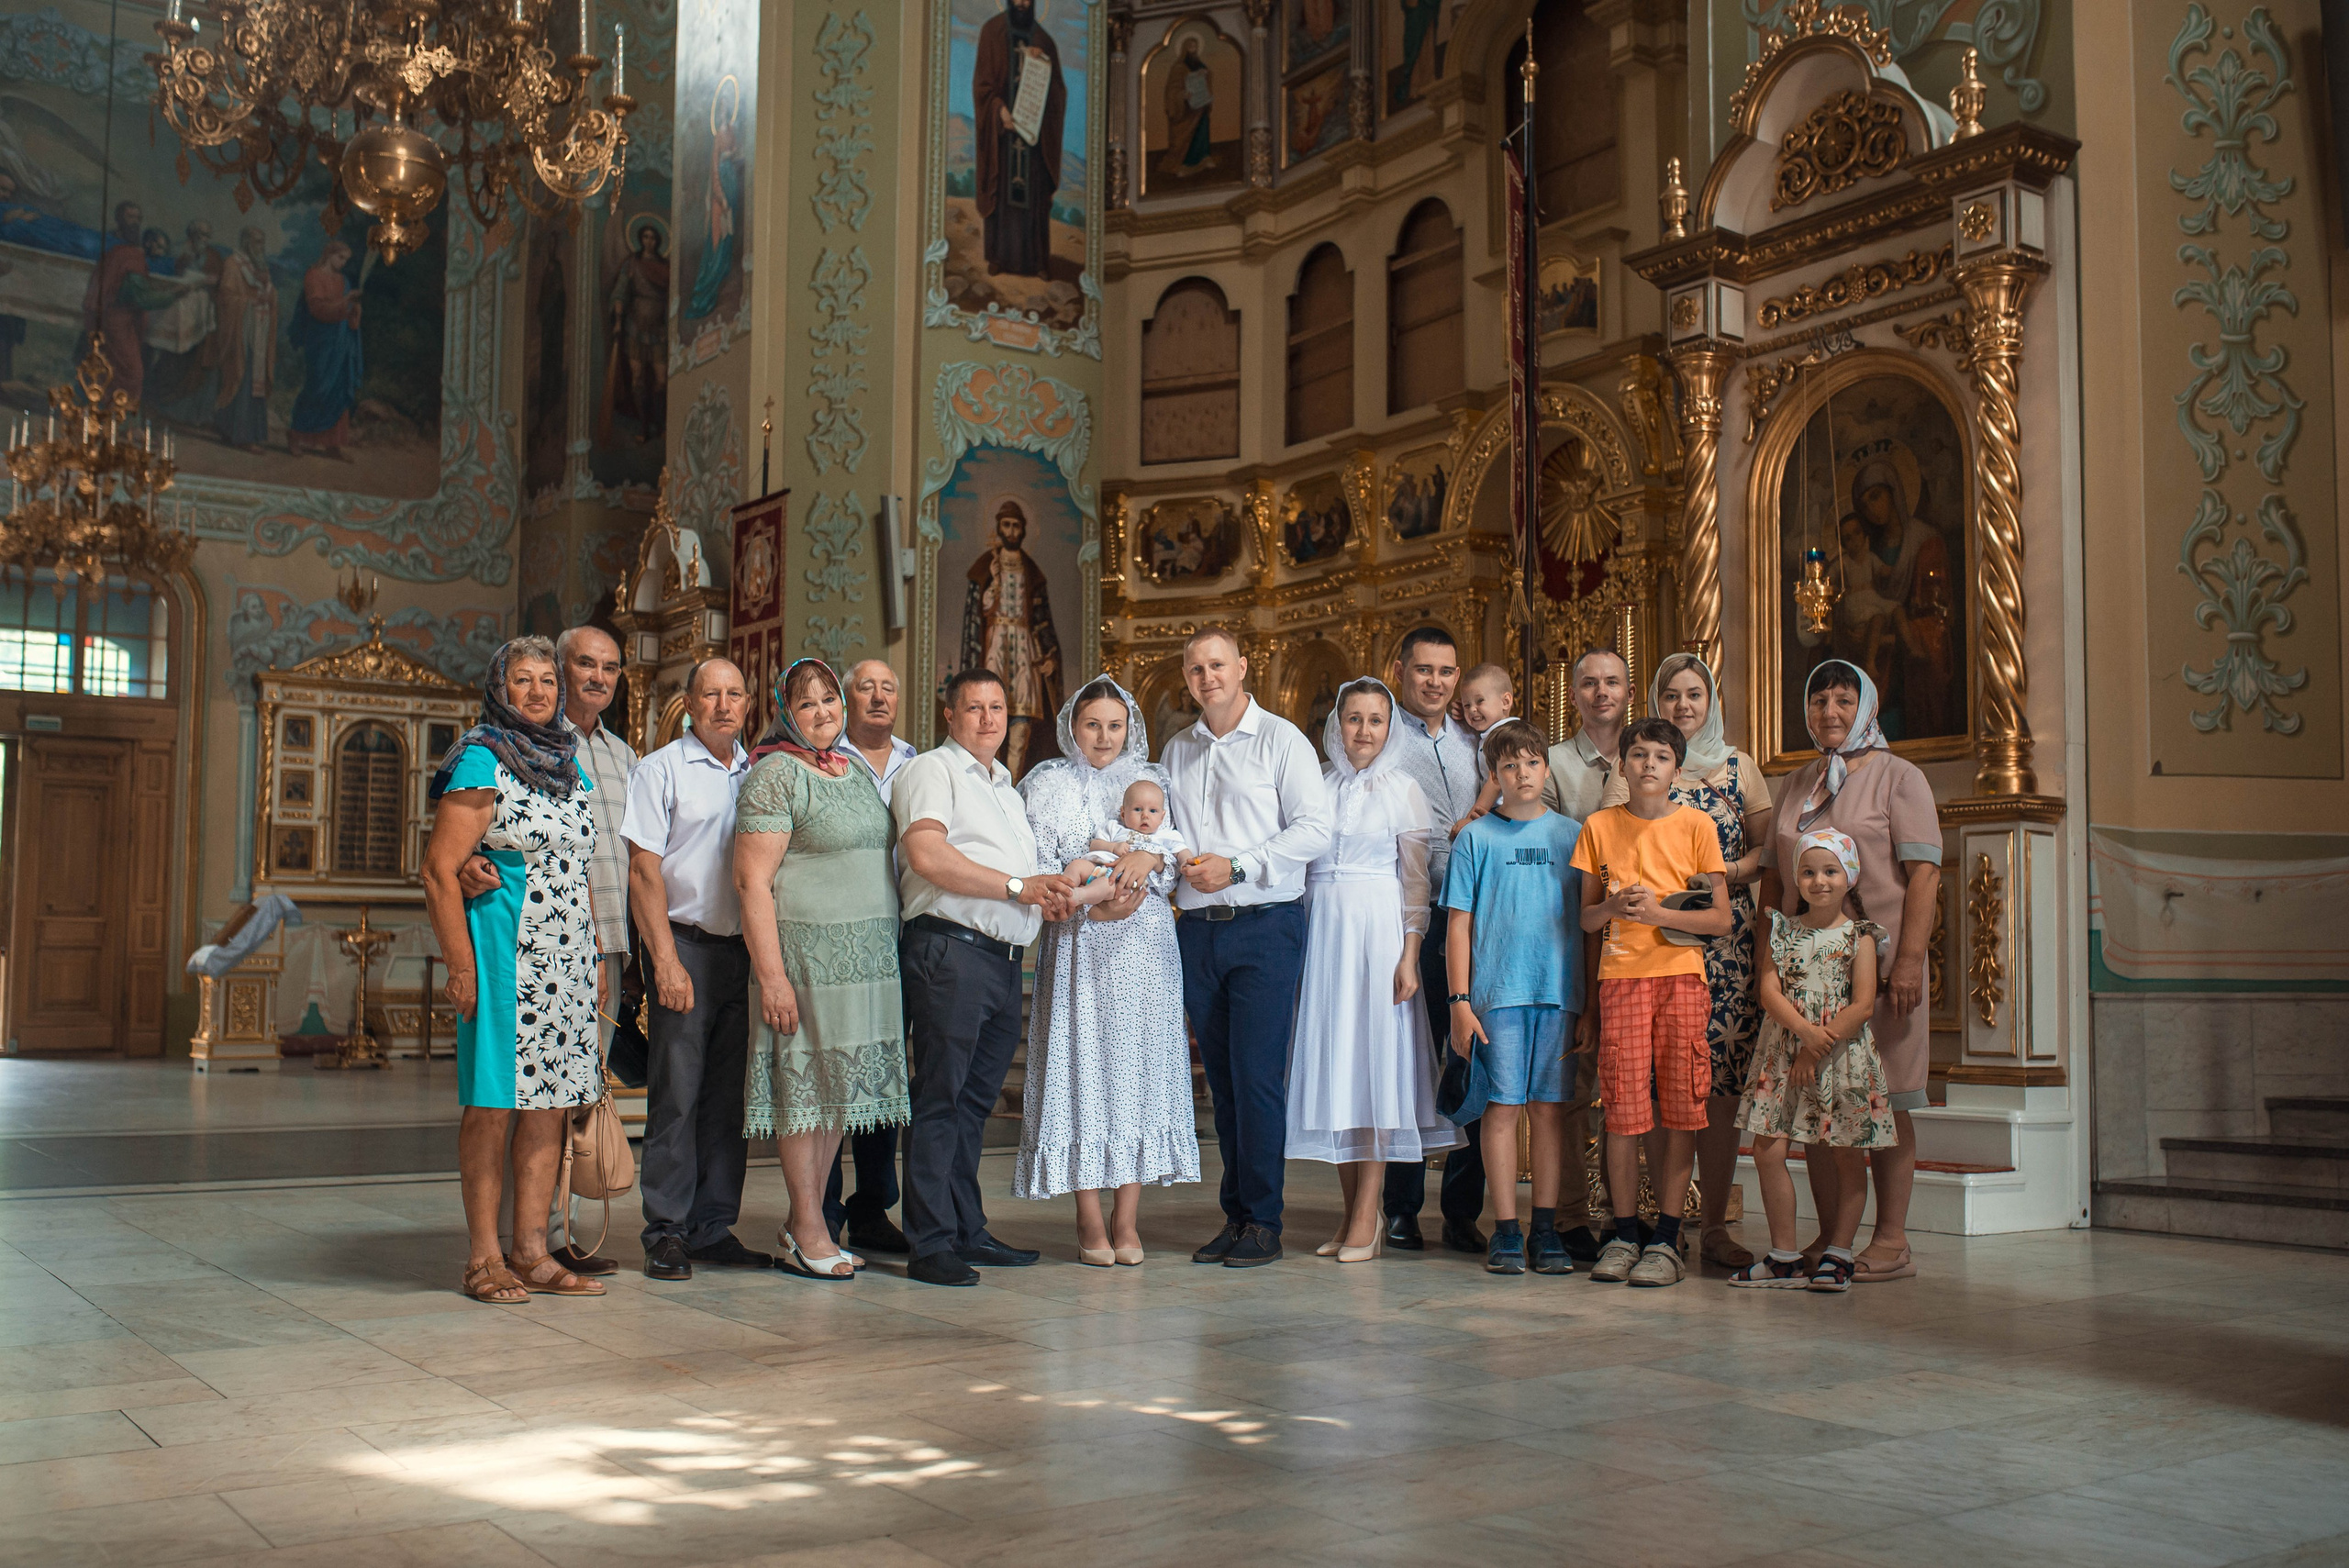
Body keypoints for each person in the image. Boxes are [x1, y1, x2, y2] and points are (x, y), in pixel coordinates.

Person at [420, 638, 608, 1303]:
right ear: (501, 687)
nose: (538, 692)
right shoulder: (481, 760)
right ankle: (483, 1257)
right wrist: (461, 965)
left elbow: (577, 866)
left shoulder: (569, 765)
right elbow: (440, 868)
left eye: (548, 681)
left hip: (570, 959)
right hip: (507, 954)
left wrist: (594, 954)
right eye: (523, 680)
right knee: (494, 1104)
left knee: (551, 1106)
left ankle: (531, 1250)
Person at [894, 670, 1076, 1285]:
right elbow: (927, 855)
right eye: (974, 707)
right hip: (951, 950)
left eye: (998, 706)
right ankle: (929, 1241)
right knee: (941, 1098)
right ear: (949, 715)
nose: (989, 718)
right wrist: (1018, 887)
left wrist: (1039, 895)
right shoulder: (933, 771)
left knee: (974, 1104)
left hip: (1001, 960)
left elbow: (1015, 874)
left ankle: (966, 1227)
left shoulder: (1005, 785)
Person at [1765, 660, 1941, 1283]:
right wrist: (1773, 960)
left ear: (1865, 705)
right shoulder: (1797, 781)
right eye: (1818, 701)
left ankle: (1891, 1238)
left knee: (1886, 1100)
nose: (1830, 712)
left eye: (1843, 699)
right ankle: (1834, 1235)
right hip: (1808, 974)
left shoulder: (1900, 776)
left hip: (1880, 967)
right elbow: (1773, 877)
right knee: (1816, 1103)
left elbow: (1923, 871)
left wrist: (1911, 959)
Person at [1162, 628, 1333, 1267]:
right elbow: (1168, 822)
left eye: (1217, 665)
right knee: (1223, 1085)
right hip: (1198, 929)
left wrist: (1238, 867)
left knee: (1258, 1078)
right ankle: (1234, 1215)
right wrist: (1182, 856)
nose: (1207, 676)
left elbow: (1315, 829)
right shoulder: (1178, 748)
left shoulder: (1282, 739)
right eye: (1196, 667)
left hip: (1265, 922)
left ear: (1241, 668)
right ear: (1187, 676)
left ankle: (1265, 1219)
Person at [733, 660, 909, 1281]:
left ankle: (799, 1223)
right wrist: (772, 975)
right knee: (804, 1096)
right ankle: (809, 1224)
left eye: (829, 700)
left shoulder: (852, 769)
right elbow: (752, 882)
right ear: (786, 711)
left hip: (866, 963)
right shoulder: (774, 774)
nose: (822, 713)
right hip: (807, 961)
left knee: (835, 1093)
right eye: (806, 704)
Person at [1015, 679, 1199, 1264]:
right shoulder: (1047, 782)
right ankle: (1089, 1216)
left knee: (1137, 1075)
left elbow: (1177, 861)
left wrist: (1149, 862)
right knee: (1083, 1072)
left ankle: (1128, 1219)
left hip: (1145, 951)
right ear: (1073, 725)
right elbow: (1036, 865)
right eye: (1093, 724)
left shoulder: (1153, 780)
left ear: (1130, 729)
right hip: (1078, 948)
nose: (1104, 737)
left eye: (1115, 726)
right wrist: (1076, 876)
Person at [1286, 679, 1458, 1262]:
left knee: (1375, 1068)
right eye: (1354, 718)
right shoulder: (1319, 785)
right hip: (1325, 933)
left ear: (1390, 728)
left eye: (1376, 720)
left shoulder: (1404, 789)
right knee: (1339, 1070)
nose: (1364, 731)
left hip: (1378, 932)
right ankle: (1348, 1213)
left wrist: (1410, 955)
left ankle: (1370, 1214)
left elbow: (1415, 884)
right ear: (1337, 724)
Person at [622, 658, 770, 1281]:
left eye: (735, 693)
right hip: (684, 946)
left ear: (748, 702)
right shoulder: (661, 770)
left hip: (743, 950)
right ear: (688, 702)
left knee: (726, 1098)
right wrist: (663, 960)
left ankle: (713, 1224)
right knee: (677, 1096)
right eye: (710, 693)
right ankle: (665, 1230)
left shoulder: (759, 772)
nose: (723, 703)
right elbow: (643, 871)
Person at [1573, 717, 1731, 1288]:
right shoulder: (1598, 826)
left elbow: (1718, 918)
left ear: (1676, 769)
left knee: (1683, 1108)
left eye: (1660, 757)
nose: (1647, 765)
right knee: (1623, 1111)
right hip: (1620, 981)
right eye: (1637, 754)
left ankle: (1666, 1235)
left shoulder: (1697, 826)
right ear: (1622, 764)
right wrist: (1615, 908)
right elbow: (1586, 920)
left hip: (1681, 978)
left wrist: (1659, 913)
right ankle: (1622, 1232)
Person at [1644, 652, 1775, 1271]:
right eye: (1671, 694)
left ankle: (1717, 1223)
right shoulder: (1644, 761)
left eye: (1694, 694)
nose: (1683, 706)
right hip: (1658, 941)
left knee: (1720, 1088)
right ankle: (1660, 1221)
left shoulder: (1737, 764)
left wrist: (1723, 873)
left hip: (1728, 943)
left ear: (1710, 699)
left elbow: (1766, 848)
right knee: (1662, 1083)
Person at [1442, 720, 1584, 1275]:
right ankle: (1505, 1229)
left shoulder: (1572, 835)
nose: (1521, 774)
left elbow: (1587, 924)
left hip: (1558, 994)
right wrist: (1460, 1000)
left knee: (1549, 1113)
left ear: (1546, 768)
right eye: (1508, 767)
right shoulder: (1476, 839)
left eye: (1530, 763)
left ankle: (1544, 1230)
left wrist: (1587, 1003)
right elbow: (1459, 925)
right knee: (1501, 1110)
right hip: (1496, 996)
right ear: (1493, 776)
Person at [1732, 828, 1898, 1293]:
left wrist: (1814, 1045)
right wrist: (1802, 1034)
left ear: (1849, 876)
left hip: (1839, 1058)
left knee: (1847, 1154)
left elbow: (1863, 1004)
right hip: (1783, 1054)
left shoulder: (1859, 936)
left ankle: (1839, 1254)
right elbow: (1768, 991)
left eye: (1829, 871)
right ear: (1796, 878)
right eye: (1808, 871)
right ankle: (1784, 1255)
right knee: (1768, 1148)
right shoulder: (1783, 929)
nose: (1818, 880)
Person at [1374, 628, 1486, 1254]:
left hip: (1473, 914)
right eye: (1424, 670)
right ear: (1401, 669)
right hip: (1410, 917)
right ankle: (1400, 1206)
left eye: (1446, 671)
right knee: (1412, 1058)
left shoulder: (1478, 741)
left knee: (1469, 1055)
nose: (1436, 682)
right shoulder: (1383, 738)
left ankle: (1464, 1208)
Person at [827, 658, 918, 1254]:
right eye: (867, 687)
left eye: (889, 686)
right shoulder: (822, 758)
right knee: (835, 1070)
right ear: (845, 698)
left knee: (886, 1070)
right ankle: (820, 1208)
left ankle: (872, 1207)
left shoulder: (921, 765)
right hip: (838, 933)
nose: (879, 696)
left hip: (905, 930)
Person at [962, 499, 1064, 779]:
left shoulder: (1031, 570)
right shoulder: (986, 566)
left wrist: (1050, 655)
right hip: (994, 645)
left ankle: (1014, 782)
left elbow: (1042, 619)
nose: (1011, 531)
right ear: (998, 527)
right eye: (1006, 525)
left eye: (1016, 526)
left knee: (1023, 718)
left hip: (1024, 649)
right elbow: (977, 614)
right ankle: (986, 777)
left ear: (1023, 530)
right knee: (988, 715)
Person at [972, 0, 1067, 278]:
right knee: (1003, 192)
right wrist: (999, 111)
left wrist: (1044, 65)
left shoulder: (1044, 41)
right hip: (1001, 137)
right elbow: (982, 87)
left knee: (1032, 197)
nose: (1023, 3)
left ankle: (1037, 262)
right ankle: (998, 257)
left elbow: (1058, 94)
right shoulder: (992, 32)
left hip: (1033, 142)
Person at [288, 238, 363, 460]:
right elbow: (318, 310)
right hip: (321, 341)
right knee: (317, 388)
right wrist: (345, 302)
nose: (342, 263)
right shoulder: (314, 276)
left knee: (338, 390)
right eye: (340, 257)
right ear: (329, 254)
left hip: (341, 342)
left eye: (345, 260)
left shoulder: (344, 281)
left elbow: (349, 314)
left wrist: (354, 310)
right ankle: (295, 435)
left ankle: (332, 444)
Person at [1063, 776, 1187, 907]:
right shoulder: (1114, 827)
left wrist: (1187, 862)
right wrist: (1113, 847)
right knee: (1076, 865)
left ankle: (1078, 895)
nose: (1145, 815)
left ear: (1162, 817)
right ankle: (1062, 892)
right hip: (1100, 867)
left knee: (1106, 885)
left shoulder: (1165, 836)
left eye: (1152, 811)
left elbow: (1181, 850)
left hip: (1124, 882)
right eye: (1138, 809)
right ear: (1123, 813)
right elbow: (1094, 845)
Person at [206, 226, 276, 451]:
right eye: (256, 241)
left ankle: (247, 434)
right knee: (240, 379)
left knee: (254, 384)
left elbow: (271, 296)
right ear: (246, 242)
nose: (260, 246)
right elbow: (225, 297)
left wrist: (269, 294)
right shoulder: (233, 264)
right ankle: (237, 434)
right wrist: (249, 302)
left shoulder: (261, 267)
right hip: (240, 333)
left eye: (262, 242)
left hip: (259, 331)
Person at [604, 219, 670, 443]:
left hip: (659, 330)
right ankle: (643, 426)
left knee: (661, 380)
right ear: (640, 239)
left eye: (652, 238)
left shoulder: (666, 267)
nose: (648, 242)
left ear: (658, 241)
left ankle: (660, 422)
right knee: (637, 379)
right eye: (645, 237)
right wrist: (618, 321)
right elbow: (620, 292)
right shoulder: (632, 264)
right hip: (635, 329)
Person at [1157, 37, 1216, 180]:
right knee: (1186, 137)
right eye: (1190, 47)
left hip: (1199, 108)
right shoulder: (1178, 68)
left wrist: (1206, 75)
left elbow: (1207, 79)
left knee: (1201, 131)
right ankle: (1185, 163)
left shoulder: (1200, 65)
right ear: (1184, 49)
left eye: (1195, 47)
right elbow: (1172, 91)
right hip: (1185, 111)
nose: (1193, 50)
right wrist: (1182, 95)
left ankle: (1203, 158)